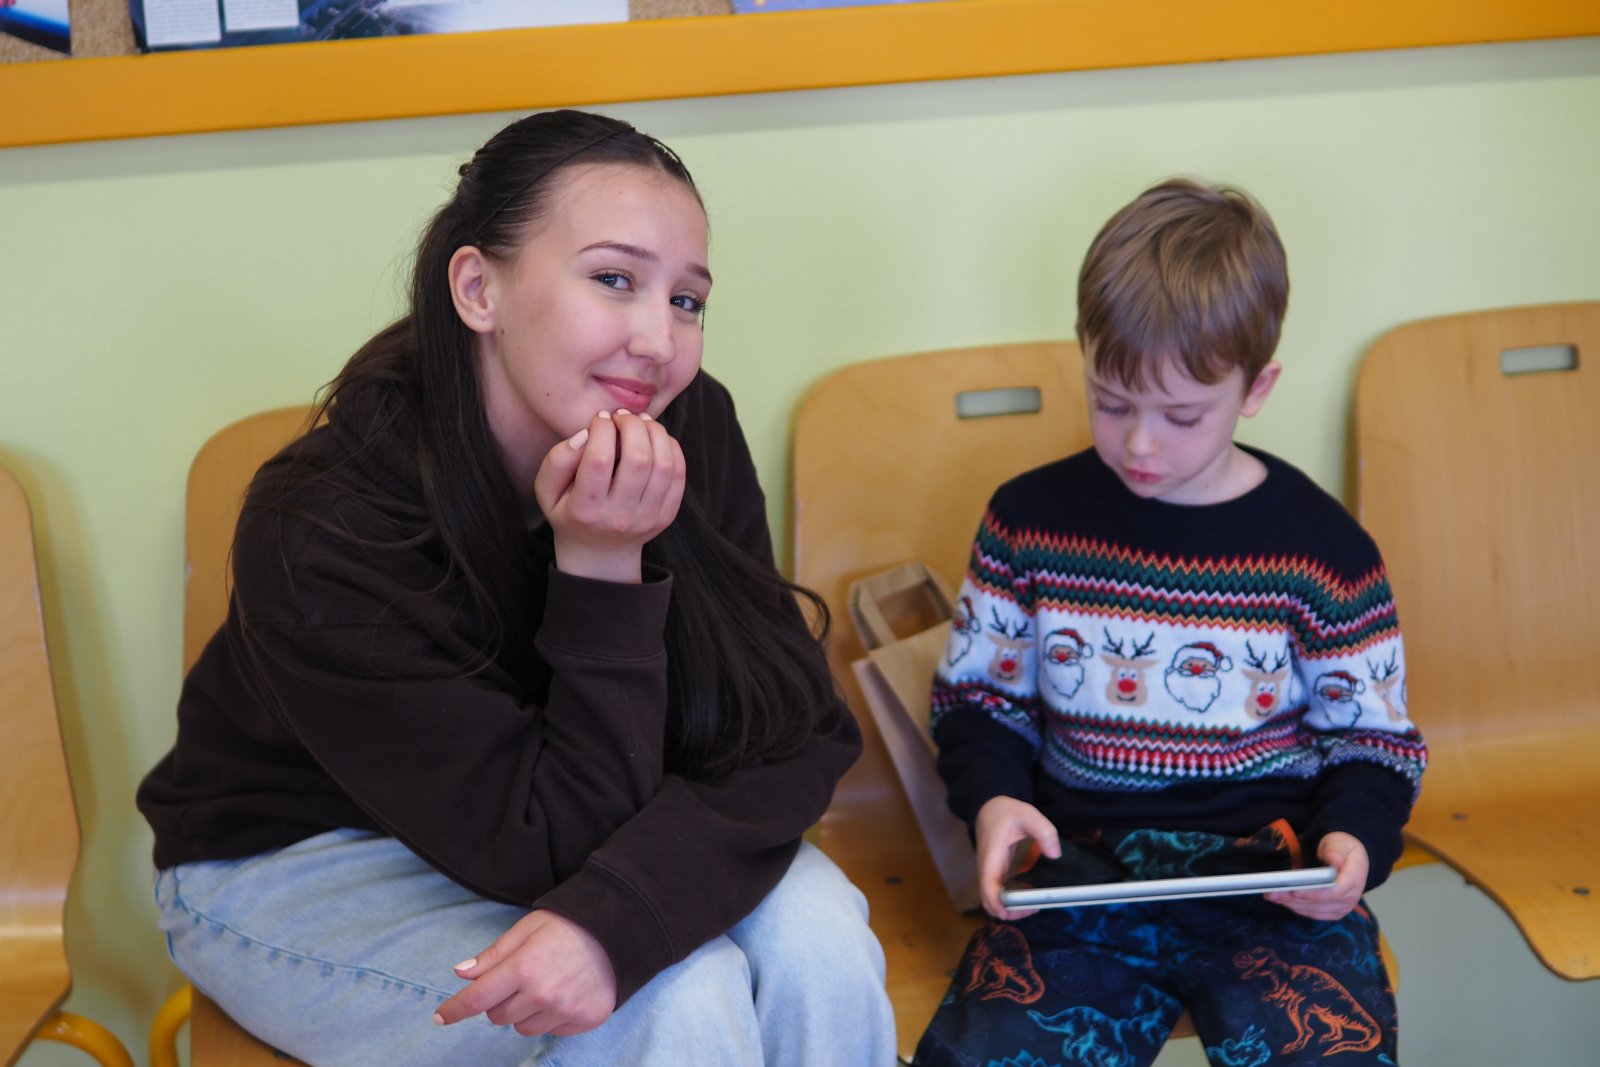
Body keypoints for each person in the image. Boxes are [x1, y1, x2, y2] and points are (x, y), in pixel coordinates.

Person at [137, 109, 895, 1067]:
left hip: (593, 808)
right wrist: (602, 565)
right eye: (613, 279)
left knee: (821, 944)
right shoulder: (323, 523)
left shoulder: (688, 425)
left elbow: (795, 731)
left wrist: (618, 912)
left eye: (687, 300)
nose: (658, 339)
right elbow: (543, 843)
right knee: (670, 998)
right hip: (302, 852)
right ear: (478, 288)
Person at [913, 179, 1427, 1067]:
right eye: (1111, 402)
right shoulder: (1027, 521)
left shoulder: (1323, 549)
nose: (1140, 443)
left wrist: (1355, 840)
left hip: (1271, 880)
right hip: (1080, 877)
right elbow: (978, 703)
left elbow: (1372, 741)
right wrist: (995, 799)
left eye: (1182, 415)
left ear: (1256, 387)